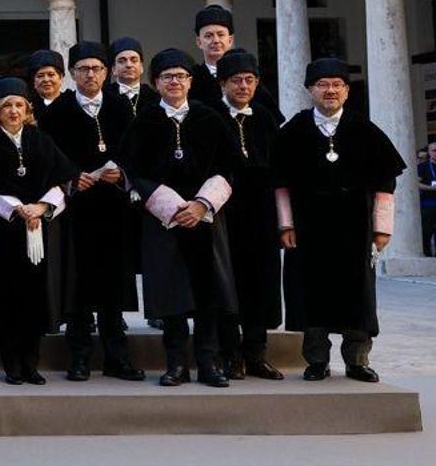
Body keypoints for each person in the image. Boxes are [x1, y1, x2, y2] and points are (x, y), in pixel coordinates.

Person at [275, 58, 407, 382]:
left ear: (347, 91)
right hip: (308, 229)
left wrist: (381, 229)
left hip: (355, 229)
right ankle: (317, 360)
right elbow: (280, 183)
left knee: (358, 295)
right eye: (322, 84)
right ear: (310, 90)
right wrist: (286, 224)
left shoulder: (366, 131)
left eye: (337, 85)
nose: (330, 90)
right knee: (311, 293)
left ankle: (357, 360)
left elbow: (385, 184)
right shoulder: (292, 131)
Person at [117, 49, 240, 388]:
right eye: (167, 77)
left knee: (208, 291)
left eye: (181, 76)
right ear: (155, 82)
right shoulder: (144, 121)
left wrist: (201, 205)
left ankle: (208, 362)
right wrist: (171, 206)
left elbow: (227, 168)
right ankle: (175, 364)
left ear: (191, 80)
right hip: (163, 219)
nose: (175, 82)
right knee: (169, 293)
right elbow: (133, 170)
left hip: (205, 219)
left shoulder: (209, 118)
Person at [42, 42, 143, 381]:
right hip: (77, 213)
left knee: (113, 286)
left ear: (107, 72)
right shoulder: (57, 111)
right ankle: (80, 356)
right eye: (83, 69)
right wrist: (72, 178)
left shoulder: (121, 107)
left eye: (97, 68)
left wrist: (124, 173)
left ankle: (117, 356)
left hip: (114, 211)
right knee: (79, 286)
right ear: (71, 73)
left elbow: (134, 150)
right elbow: (49, 158)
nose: (90, 74)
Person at [0, 79, 74, 385]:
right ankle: (11, 364)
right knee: (8, 300)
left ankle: (31, 363)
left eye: (19, 105)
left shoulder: (40, 140)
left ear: (28, 110)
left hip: (38, 229)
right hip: (3, 233)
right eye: (7, 106)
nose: (13, 111)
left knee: (35, 299)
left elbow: (63, 178)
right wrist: (15, 208)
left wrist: (41, 207)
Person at [213, 50, 285, 380]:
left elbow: (282, 174)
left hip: (262, 217)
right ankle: (230, 355)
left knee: (262, 285)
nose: (243, 86)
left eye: (249, 80)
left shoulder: (268, 120)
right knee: (228, 286)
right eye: (236, 80)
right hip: (224, 218)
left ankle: (256, 353)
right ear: (222, 83)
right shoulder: (208, 118)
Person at [189, 4, 279, 117]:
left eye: (221, 35)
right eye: (208, 36)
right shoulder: (191, 80)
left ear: (230, 40)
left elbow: (271, 118)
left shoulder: (246, 77)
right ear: (199, 42)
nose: (216, 40)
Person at [110, 36, 159, 118]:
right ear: (114, 69)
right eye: (122, 61)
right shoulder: (104, 97)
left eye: (134, 60)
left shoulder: (154, 98)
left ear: (141, 67)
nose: (129, 65)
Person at [26, 50, 66, 122]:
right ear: (34, 81)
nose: (46, 80)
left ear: (61, 78)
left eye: (51, 74)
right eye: (40, 76)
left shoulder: (74, 104)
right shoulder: (27, 109)